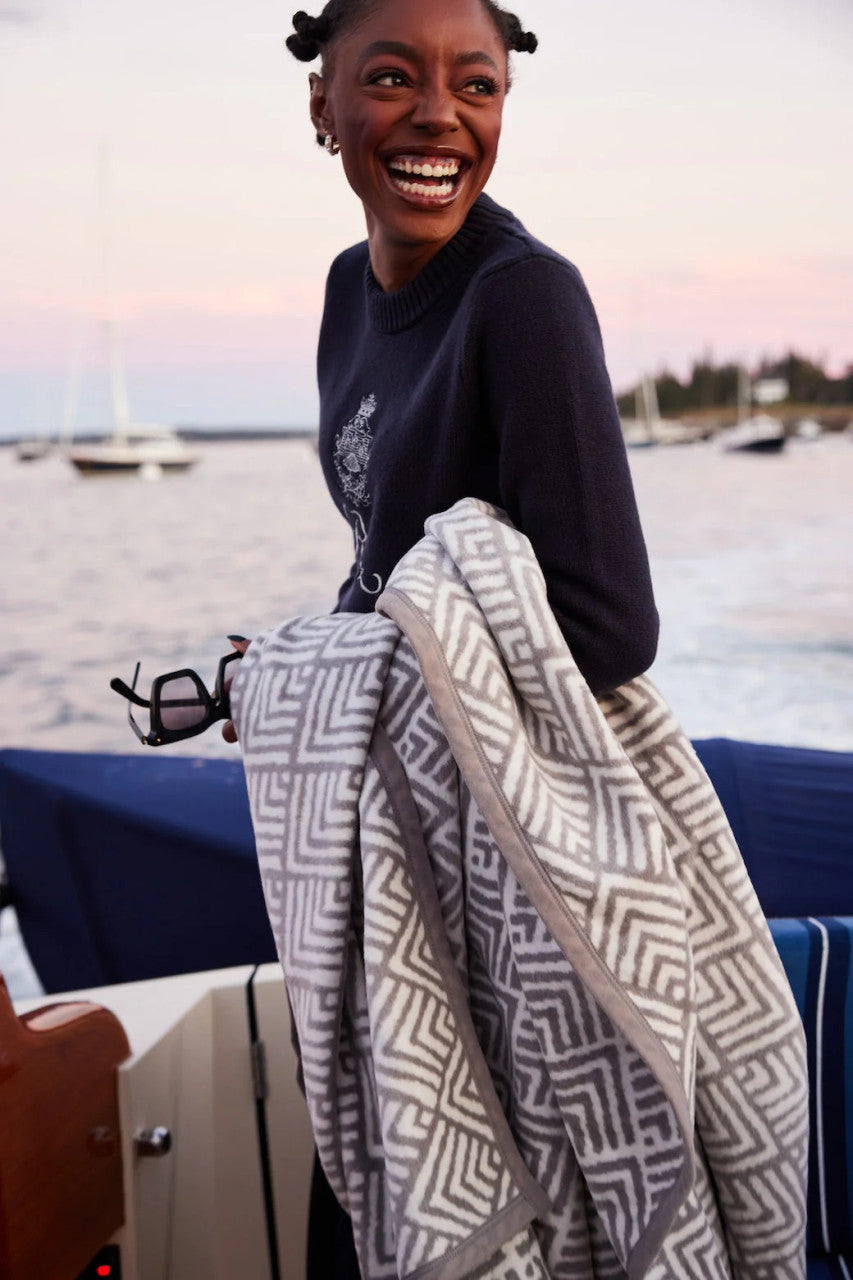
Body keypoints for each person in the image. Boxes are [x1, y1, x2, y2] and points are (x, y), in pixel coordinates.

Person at [233, 0, 659, 1271]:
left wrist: (338, 680)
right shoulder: (342, 294)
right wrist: (294, 661)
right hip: (386, 841)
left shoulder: (523, 299)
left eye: (474, 86)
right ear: (322, 106)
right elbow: (390, 558)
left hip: (494, 860)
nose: (437, 116)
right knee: (363, 1201)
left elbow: (604, 623)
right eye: (392, 79)